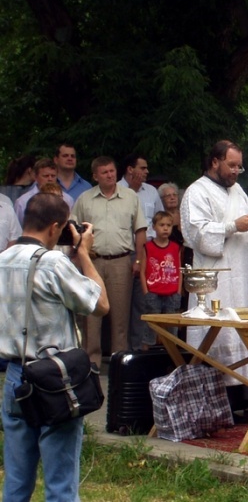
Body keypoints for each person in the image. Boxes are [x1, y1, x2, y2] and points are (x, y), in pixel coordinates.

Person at [0, 193, 109, 502]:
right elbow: (100, 304)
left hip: (15, 376)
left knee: (17, 483)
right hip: (53, 379)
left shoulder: (2, 260)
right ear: (55, 227)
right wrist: (84, 253)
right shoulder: (53, 262)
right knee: (60, 485)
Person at [180, 140, 248, 398]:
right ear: (215, 162)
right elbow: (196, 233)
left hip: (242, 278)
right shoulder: (197, 192)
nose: (235, 171)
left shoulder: (239, 190)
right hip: (215, 279)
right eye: (231, 165)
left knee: (240, 333)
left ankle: (245, 395)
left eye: (239, 167)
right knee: (217, 335)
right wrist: (232, 226)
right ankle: (216, 398)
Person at [73, 156, 147, 365]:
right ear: (95, 176)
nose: (109, 175)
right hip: (93, 262)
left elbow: (140, 230)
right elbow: (73, 230)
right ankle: (91, 364)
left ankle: (119, 362)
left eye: (112, 171)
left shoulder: (130, 197)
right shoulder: (84, 199)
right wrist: (80, 256)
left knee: (120, 318)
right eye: (104, 172)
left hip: (121, 262)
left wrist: (139, 261)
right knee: (92, 316)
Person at [119, 153, 164, 350]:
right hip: (123, 251)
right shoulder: (117, 190)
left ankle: (137, 348)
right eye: (143, 168)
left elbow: (160, 219)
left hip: (149, 252)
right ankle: (119, 350)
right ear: (130, 169)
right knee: (121, 303)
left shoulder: (152, 192)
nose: (147, 172)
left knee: (143, 301)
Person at [139, 211, 182, 350]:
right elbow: (142, 271)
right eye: (162, 225)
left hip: (172, 293)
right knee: (151, 325)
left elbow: (179, 270)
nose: (165, 228)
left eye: (169, 225)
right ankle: (146, 354)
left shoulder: (176, 247)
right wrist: (146, 292)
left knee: (171, 326)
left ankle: (171, 355)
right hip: (153, 292)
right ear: (154, 227)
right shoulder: (148, 247)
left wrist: (179, 291)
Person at [158, 182, 192, 309]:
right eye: (168, 196)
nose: (172, 197)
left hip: (187, 258)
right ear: (161, 199)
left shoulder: (185, 214)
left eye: (174, 195)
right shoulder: (160, 218)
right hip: (168, 260)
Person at [14, 158, 74, 223]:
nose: (50, 179)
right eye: (46, 176)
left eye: (53, 176)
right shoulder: (23, 201)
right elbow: (18, 228)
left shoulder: (67, 199)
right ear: (36, 177)